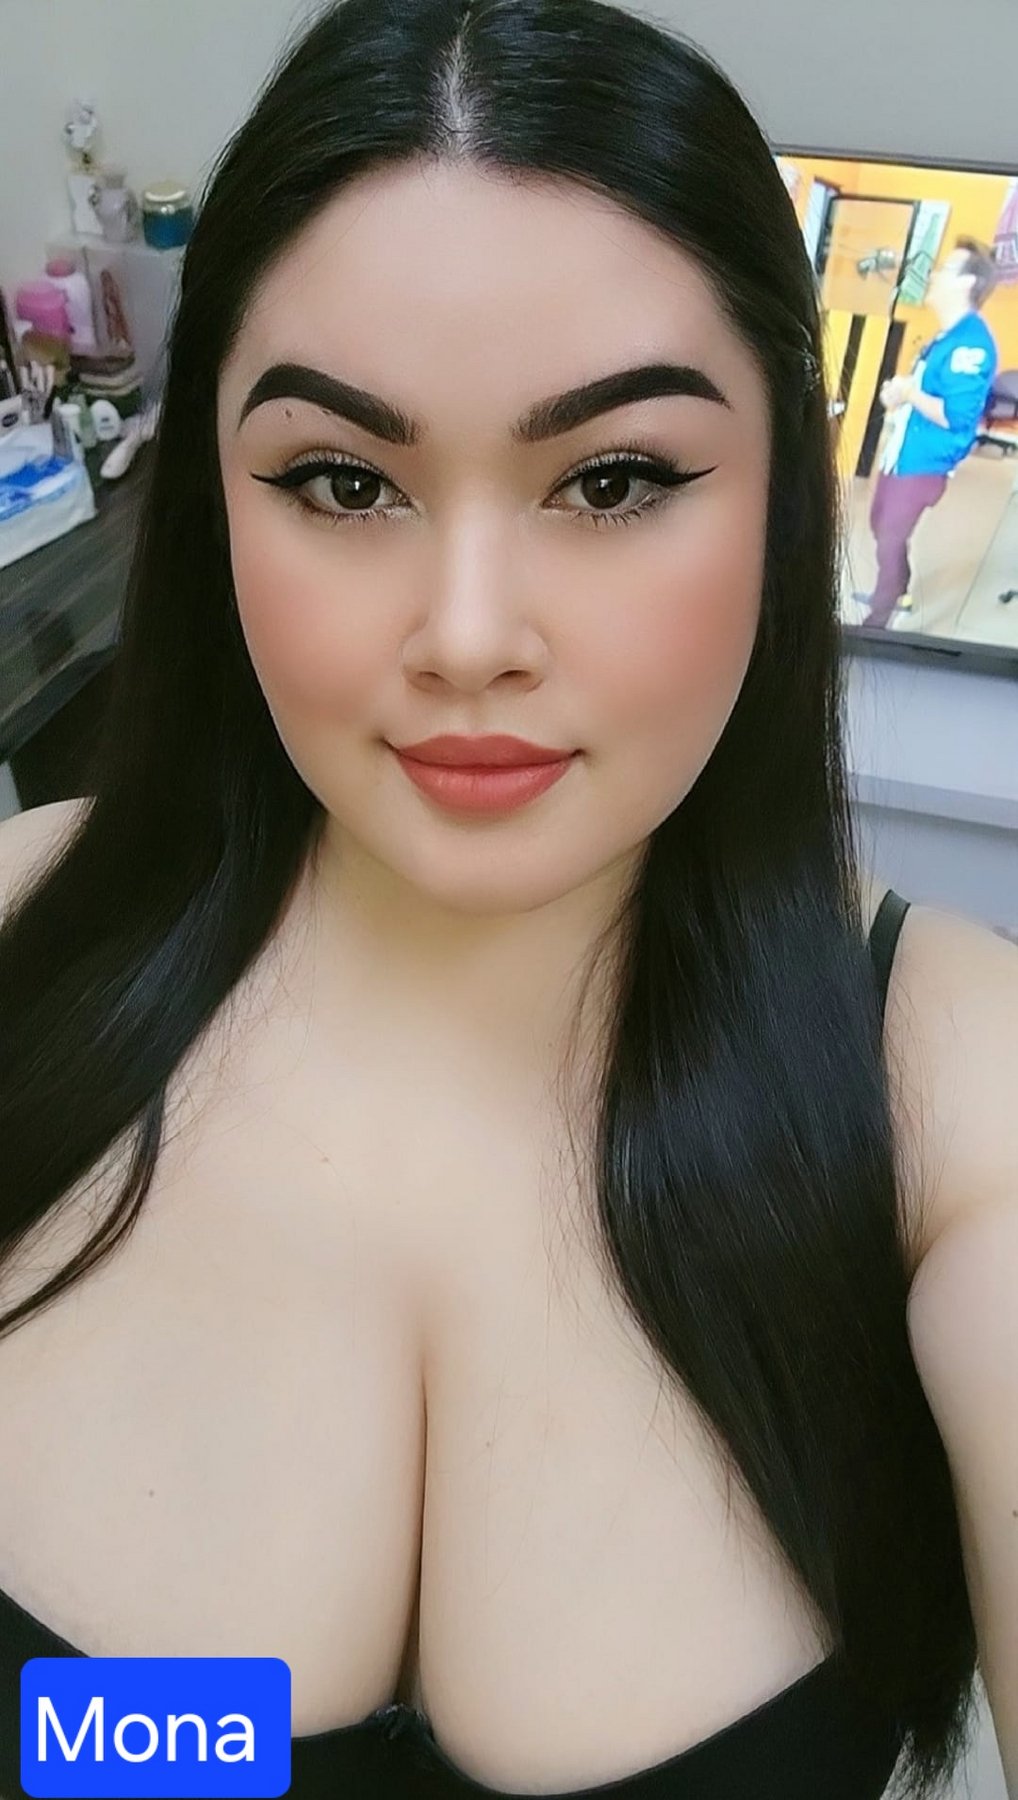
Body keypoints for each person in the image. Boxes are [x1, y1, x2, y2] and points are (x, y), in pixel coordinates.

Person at [1, 3, 1016, 1798]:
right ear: (213, 500)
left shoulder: (960, 1109)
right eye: (341, 481)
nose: (468, 637)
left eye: (613, 481)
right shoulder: (19, 941)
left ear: (781, 492)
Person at [857, 237, 999, 629]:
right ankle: (899, 589)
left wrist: (909, 393)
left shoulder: (972, 345)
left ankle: (879, 621)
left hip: (925, 461)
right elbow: (927, 392)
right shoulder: (947, 337)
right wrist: (900, 395)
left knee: (890, 534)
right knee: (881, 524)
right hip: (904, 451)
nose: (934, 275)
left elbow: (956, 416)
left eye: (946, 269)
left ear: (968, 283)